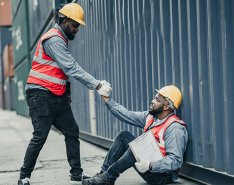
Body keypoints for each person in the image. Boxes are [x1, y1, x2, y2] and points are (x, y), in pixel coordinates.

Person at [17, 3, 112, 185]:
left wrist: (66, 94)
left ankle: (76, 176)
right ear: (65, 21)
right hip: (40, 95)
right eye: (75, 25)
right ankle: (24, 177)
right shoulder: (53, 39)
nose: (76, 30)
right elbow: (71, 67)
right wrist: (97, 85)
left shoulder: (61, 39)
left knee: (72, 131)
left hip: (56, 97)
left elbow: (61, 72)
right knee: (40, 136)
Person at [83, 85, 188, 185]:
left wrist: (150, 165)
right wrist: (107, 99)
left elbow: (176, 160)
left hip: (162, 176)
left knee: (136, 148)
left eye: (157, 100)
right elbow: (127, 115)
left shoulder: (174, 128)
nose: (152, 101)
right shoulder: (151, 117)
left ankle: (108, 177)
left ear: (166, 106)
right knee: (124, 136)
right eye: (155, 98)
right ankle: (103, 175)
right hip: (149, 165)